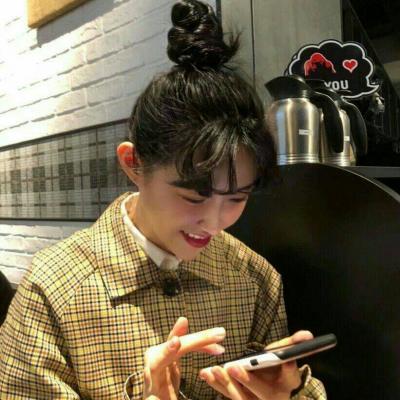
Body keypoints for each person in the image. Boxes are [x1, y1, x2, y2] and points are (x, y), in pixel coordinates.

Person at [0, 0, 326, 399]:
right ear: (133, 163)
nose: (215, 222)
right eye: (194, 196)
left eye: (236, 198)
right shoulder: (53, 290)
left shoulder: (254, 279)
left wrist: (289, 394)